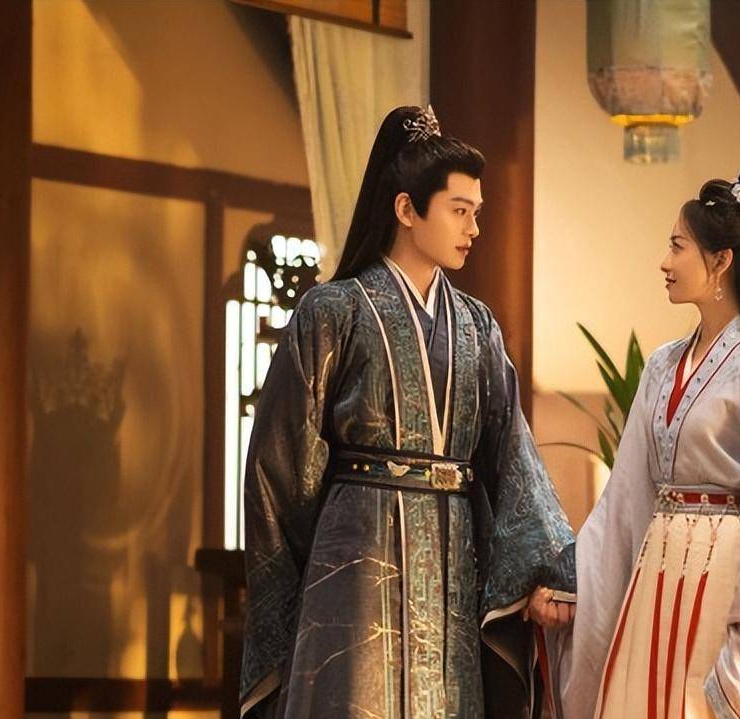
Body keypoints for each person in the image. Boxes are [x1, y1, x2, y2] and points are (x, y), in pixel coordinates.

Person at [240, 105, 576, 718]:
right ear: (406, 209)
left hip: (452, 567)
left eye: (477, 212)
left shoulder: (477, 327)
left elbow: (512, 456)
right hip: (352, 569)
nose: (474, 228)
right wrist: (301, 587)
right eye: (459, 210)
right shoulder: (332, 311)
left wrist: (552, 568)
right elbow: (281, 471)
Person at [559, 162, 740, 718]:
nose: (665, 262)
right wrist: (570, 583)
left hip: (722, 585)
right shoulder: (662, 365)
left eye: (677, 246)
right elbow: (625, 499)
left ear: (721, 261)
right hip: (655, 584)